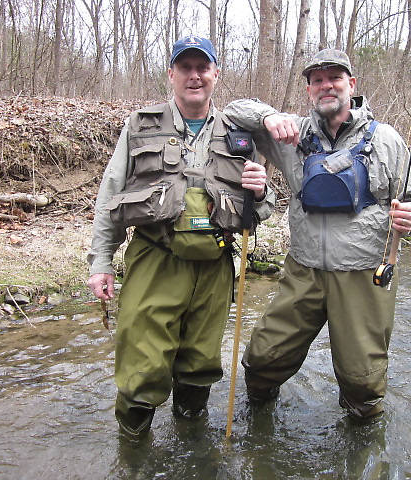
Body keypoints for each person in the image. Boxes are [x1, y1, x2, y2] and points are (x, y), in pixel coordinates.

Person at [224, 49, 411, 421]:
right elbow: (234, 110)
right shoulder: (291, 133)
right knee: (262, 359)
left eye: (334, 78)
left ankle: (362, 439)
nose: (325, 86)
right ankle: (258, 417)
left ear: (351, 85)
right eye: (317, 80)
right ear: (309, 91)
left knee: (362, 381)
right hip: (303, 271)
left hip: (363, 274)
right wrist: (270, 117)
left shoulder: (386, 140)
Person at [87, 35, 274, 439]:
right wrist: (101, 262)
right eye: (185, 68)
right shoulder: (140, 125)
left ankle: (191, 445)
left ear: (215, 75)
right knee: (142, 366)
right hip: (156, 259)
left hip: (215, 267)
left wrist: (260, 192)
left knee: (200, 365)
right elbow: (110, 196)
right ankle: (134, 448)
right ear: (171, 74)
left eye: (202, 68)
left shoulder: (241, 134)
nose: (194, 76)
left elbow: (259, 210)